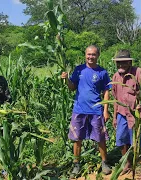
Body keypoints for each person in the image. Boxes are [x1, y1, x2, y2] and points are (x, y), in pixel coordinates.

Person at [61, 45, 112, 177]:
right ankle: (76, 164)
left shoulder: (102, 72)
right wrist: (66, 79)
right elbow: (72, 87)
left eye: (93, 54)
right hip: (79, 110)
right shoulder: (79, 70)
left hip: (96, 110)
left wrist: (106, 110)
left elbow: (106, 91)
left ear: (98, 56)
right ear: (85, 55)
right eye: (89, 54)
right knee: (77, 138)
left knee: (101, 138)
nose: (91, 57)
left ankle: (105, 162)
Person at [111, 50, 141, 179]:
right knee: (122, 139)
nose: (121, 65)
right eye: (118, 63)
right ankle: (127, 163)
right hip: (122, 114)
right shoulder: (116, 76)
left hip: (139, 115)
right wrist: (114, 116)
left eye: (123, 62)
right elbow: (115, 97)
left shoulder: (139, 73)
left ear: (130, 62)